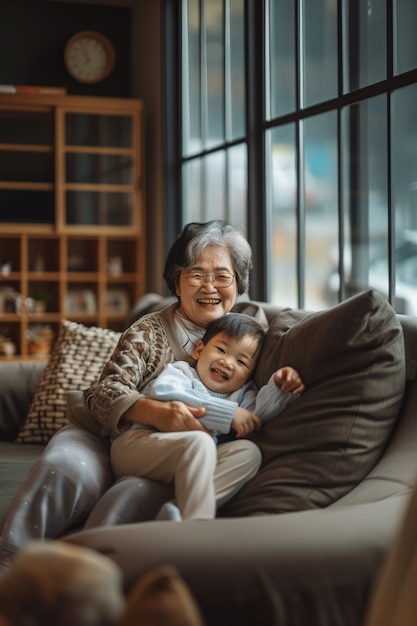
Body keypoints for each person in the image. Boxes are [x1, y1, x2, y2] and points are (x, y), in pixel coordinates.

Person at [0, 220, 273, 573]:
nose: (211, 287)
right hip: (114, 436)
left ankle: (174, 520)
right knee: (65, 467)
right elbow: (104, 393)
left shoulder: (250, 334)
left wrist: (285, 379)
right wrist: (159, 413)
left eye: (223, 276)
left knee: (242, 455)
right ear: (177, 281)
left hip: (183, 451)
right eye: (196, 275)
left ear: (238, 284)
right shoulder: (148, 332)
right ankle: (9, 564)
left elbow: (262, 397)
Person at [111, 313, 304, 521]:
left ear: (249, 374)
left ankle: (178, 511)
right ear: (199, 350)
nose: (227, 362)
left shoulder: (242, 394)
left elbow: (255, 416)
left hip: (182, 462)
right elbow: (163, 392)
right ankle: (197, 527)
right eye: (221, 350)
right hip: (136, 446)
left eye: (241, 362)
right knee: (200, 442)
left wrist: (280, 387)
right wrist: (227, 413)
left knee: (249, 453)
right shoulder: (182, 373)